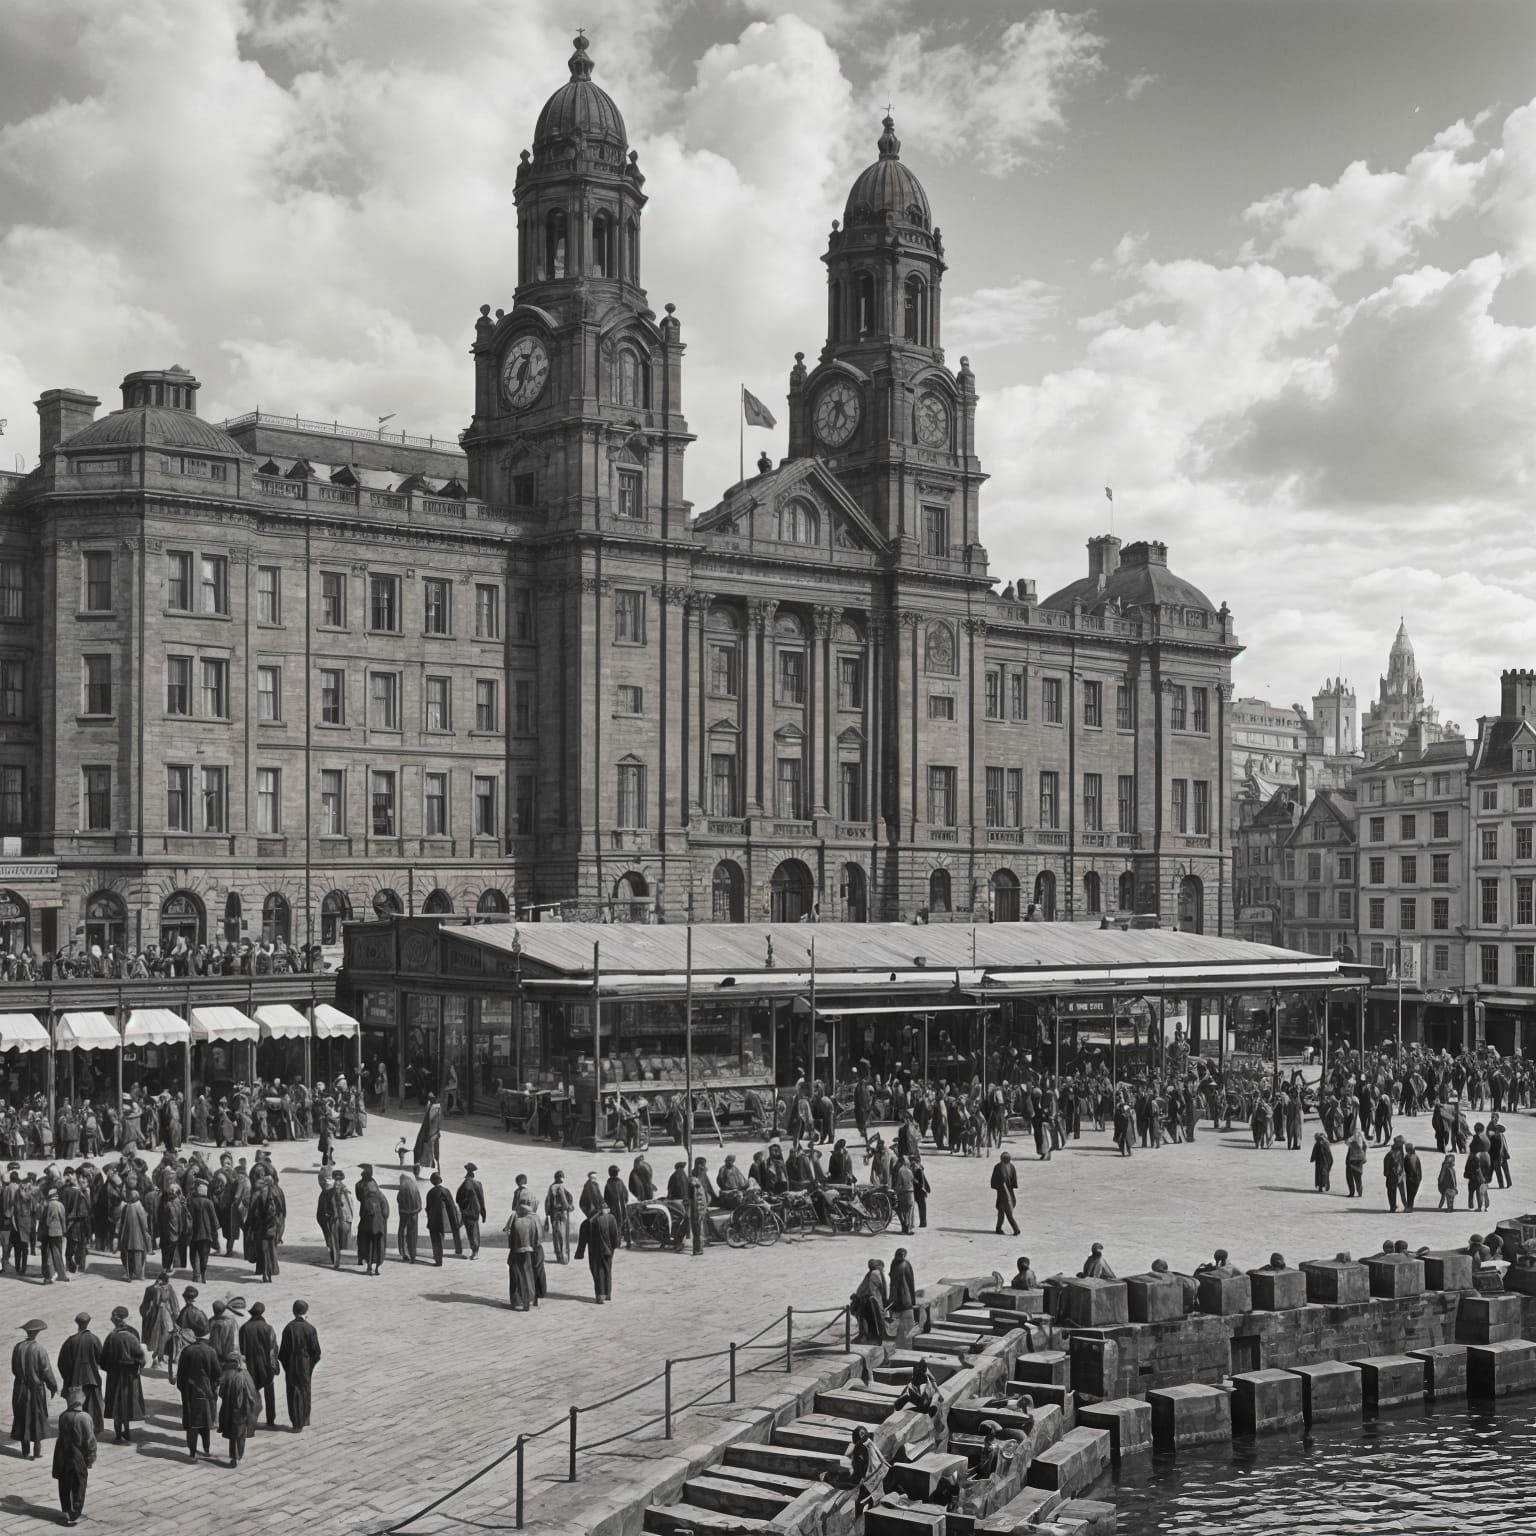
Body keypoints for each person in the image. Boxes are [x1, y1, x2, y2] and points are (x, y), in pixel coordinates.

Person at [11, 1318, 59, 1459]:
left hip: (20, 1388)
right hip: (35, 1389)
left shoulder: (17, 1347)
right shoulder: (39, 1349)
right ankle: (37, 1453)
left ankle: (25, 1452)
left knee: (22, 1418)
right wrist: (53, 1386)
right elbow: (46, 1371)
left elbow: (14, 1369)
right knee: (37, 1418)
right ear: (37, 1333)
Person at [176, 1320, 222, 1460]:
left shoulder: (187, 1351)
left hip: (190, 1393)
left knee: (192, 1423)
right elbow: (217, 1374)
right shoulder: (211, 1351)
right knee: (205, 1423)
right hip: (207, 1392)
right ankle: (206, 1449)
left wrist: (184, 1389)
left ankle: (192, 1451)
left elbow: (181, 1375)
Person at [100, 1306, 146, 1444]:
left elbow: (103, 1362)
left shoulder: (111, 1338)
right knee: (128, 1402)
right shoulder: (134, 1334)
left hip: (115, 1376)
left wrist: (111, 1368)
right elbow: (141, 1358)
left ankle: (118, 1434)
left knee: (116, 1403)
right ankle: (127, 1431)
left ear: (117, 1317)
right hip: (131, 1376)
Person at [52, 1386, 96, 1527]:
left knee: (65, 1483)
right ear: (82, 1401)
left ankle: (66, 1509)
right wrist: (90, 1458)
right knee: (79, 1484)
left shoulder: (63, 1416)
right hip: (78, 1456)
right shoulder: (85, 1417)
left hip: (63, 1453)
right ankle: (75, 1513)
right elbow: (90, 1441)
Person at [57, 1312, 104, 1435]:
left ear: (77, 1323)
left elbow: (61, 1363)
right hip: (92, 1379)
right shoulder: (94, 1339)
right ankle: (92, 1431)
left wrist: (68, 1377)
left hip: (75, 1380)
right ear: (88, 1323)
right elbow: (102, 1360)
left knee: (76, 1407)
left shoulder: (71, 1341)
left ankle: (77, 1431)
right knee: (92, 1407)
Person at [278, 1300, 321, 1431]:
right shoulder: (310, 1328)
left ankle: (296, 1422)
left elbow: (282, 1353)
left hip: (291, 1364)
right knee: (305, 1391)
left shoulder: (288, 1328)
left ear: (293, 1311)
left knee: (292, 1392)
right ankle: (304, 1419)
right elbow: (316, 1352)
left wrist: (287, 1366)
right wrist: (309, 1366)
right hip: (304, 1364)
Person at [238, 1300, 281, 1430]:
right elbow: (273, 1349)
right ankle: (270, 1419)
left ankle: (248, 1417)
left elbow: (242, 1350)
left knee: (249, 1393)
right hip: (265, 1367)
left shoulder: (244, 1328)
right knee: (269, 1392)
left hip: (250, 1366)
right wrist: (274, 1367)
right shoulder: (268, 1328)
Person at [217, 1350, 260, 1467]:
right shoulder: (245, 1374)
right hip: (242, 1410)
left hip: (229, 1409)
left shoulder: (226, 1374)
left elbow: (220, 1392)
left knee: (232, 1435)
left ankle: (234, 1457)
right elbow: (253, 1393)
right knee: (240, 1434)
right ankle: (238, 1455)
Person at [576, 1203, 620, 1304]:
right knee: (607, 1270)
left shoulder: (587, 1223)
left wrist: (580, 1253)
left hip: (594, 1251)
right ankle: (607, 1294)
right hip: (608, 1250)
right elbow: (615, 1236)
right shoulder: (611, 1219)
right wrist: (613, 1247)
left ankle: (600, 1296)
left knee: (597, 1272)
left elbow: (582, 1240)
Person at [506, 1198, 541, 1311]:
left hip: (517, 1252)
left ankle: (518, 1300)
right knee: (527, 1275)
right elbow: (535, 1238)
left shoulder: (516, 1222)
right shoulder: (531, 1222)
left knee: (517, 1276)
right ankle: (529, 1299)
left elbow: (511, 1241)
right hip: (529, 1251)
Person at [425, 1172, 462, 1265]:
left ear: (432, 1182)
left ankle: (438, 1260)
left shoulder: (430, 1192)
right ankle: (458, 1250)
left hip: (434, 1221)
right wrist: (454, 1221)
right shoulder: (446, 1191)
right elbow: (452, 1206)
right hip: (445, 1220)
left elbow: (428, 1208)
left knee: (436, 1240)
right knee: (447, 1235)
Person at [318, 1170, 353, 1269]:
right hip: (333, 1218)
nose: (337, 1182)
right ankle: (336, 1260)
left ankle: (338, 1256)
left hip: (342, 1218)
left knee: (341, 1237)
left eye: (339, 1180)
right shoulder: (329, 1192)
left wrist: (348, 1217)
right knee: (334, 1239)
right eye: (336, 1179)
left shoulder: (346, 1191)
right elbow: (325, 1205)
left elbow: (349, 1205)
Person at [851, 1258, 889, 1342]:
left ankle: (869, 1336)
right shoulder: (877, 1273)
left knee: (870, 1321)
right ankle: (876, 1337)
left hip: (869, 1301)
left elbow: (863, 1289)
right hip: (872, 1301)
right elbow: (880, 1288)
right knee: (875, 1321)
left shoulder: (872, 1273)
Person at [358, 1171, 389, 1275]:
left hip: (368, 1228)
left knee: (369, 1247)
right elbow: (385, 1212)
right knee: (378, 1248)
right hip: (379, 1227)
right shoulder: (381, 1197)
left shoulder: (365, 1199)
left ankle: (369, 1267)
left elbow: (362, 1214)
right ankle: (377, 1269)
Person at [457, 1163, 486, 1259]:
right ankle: (475, 1252)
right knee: (474, 1231)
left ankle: (473, 1251)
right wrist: (483, 1212)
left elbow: (458, 1198)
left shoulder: (464, 1185)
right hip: (475, 1211)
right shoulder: (478, 1184)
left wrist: (462, 1207)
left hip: (466, 1211)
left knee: (470, 1231)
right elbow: (482, 1200)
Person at [888, 1246, 917, 1339]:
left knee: (905, 1327)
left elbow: (910, 1282)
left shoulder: (906, 1265)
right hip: (896, 1295)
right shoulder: (894, 1263)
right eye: (899, 1255)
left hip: (904, 1294)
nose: (901, 1257)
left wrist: (912, 1299)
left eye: (903, 1255)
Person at [545, 1171, 574, 1264]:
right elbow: (564, 1200)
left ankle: (559, 1255)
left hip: (554, 1214)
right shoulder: (558, 1187)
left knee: (556, 1235)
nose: (562, 1179)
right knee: (562, 1235)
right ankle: (563, 1257)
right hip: (560, 1213)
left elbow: (548, 1202)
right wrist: (569, 1207)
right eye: (562, 1177)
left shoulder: (551, 1187)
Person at [990, 1151, 1020, 1236]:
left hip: (1005, 1194)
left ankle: (1016, 1229)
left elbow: (993, 1182)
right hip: (1007, 1193)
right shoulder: (1010, 1167)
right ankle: (998, 1228)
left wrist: (998, 1187)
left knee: (1006, 1212)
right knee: (1002, 1212)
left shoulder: (999, 1167)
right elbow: (1014, 1182)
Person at [396, 1169, 423, 1263]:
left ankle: (404, 1253)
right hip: (414, 1215)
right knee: (412, 1235)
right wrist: (415, 1211)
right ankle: (413, 1255)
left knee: (402, 1234)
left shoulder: (402, 1190)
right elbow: (420, 1205)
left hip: (403, 1215)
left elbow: (398, 1200)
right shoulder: (415, 1189)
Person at [412, 1094, 443, 1170]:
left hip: (430, 1133)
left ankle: (428, 1164)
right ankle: (432, 1164)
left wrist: (428, 1134)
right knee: (432, 1149)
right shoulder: (436, 1107)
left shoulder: (433, 1108)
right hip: (434, 1132)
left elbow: (429, 1122)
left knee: (425, 1148)